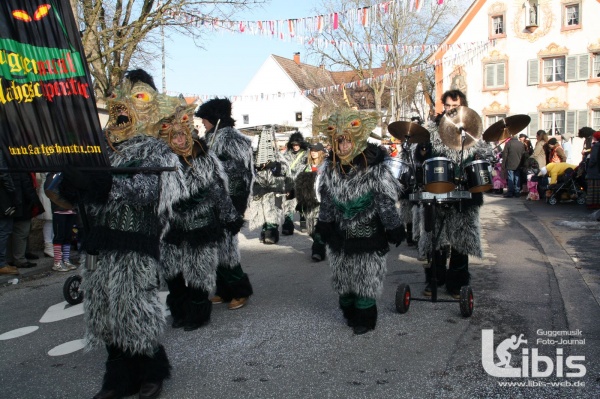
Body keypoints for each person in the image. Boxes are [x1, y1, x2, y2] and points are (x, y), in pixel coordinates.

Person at [61, 69, 185, 399]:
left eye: (136, 97)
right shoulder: (98, 148)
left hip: (136, 240)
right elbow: (75, 196)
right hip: (101, 241)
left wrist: (100, 182)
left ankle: (150, 370)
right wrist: (74, 184)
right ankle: (117, 375)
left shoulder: (156, 150)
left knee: (133, 307)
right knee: (104, 310)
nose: (122, 106)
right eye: (120, 96)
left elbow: (145, 191)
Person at [315, 108, 405, 335]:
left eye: (347, 142)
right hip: (340, 236)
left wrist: (393, 226)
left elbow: (385, 201)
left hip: (368, 236)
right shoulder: (331, 169)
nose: (343, 147)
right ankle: (348, 310)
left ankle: (365, 318)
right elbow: (326, 201)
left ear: (357, 140)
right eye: (339, 142)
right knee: (343, 279)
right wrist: (323, 225)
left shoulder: (375, 168)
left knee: (366, 278)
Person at [158, 105, 243, 330]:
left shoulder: (205, 158)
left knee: (198, 271)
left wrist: (230, 217)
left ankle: (198, 313)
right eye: (173, 136)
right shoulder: (162, 163)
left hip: (201, 224)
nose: (179, 141)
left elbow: (219, 190)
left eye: (182, 135)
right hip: (173, 226)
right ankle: (180, 309)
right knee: (171, 271)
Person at [417, 89, 492, 298]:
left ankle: (457, 283)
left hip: (465, 189)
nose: (450, 109)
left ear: (463, 105)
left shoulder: (472, 125)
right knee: (436, 238)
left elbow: (485, 153)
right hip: (437, 187)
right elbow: (420, 155)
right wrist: (421, 151)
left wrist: (483, 153)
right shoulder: (432, 127)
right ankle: (434, 280)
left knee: (460, 240)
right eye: (447, 105)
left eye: (454, 105)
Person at [195, 98, 255, 310]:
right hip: (212, 200)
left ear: (215, 118)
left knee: (227, 247)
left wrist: (212, 168)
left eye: (205, 118)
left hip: (230, 200)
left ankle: (240, 290)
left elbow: (239, 171)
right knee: (215, 245)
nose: (202, 121)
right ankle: (224, 289)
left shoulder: (232, 138)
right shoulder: (209, 137)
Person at [247, 127, 290, 245]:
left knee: (273, 211)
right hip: (260, 189)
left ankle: (272, 232)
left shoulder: (278, 157)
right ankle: (265, 230)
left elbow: (286, 168)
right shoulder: (256, 159)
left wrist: (276, 167)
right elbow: (251, 172)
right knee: (262, 212)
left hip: (274, 189)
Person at [294, 142, 327, 261]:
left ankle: (318, 250)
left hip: (322, 202)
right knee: (311, 229)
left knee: (319, 227)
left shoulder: (326, 166)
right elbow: (297, 182)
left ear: (321, 152)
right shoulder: (305, 166)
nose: (313, 152)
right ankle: (321, 244)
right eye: (311, 150)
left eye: (316, 150)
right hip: (308, 202)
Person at [44, 173, 78, 272]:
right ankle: (57, 261)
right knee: (59, 236)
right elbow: (50, 191)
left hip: (71, 209)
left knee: (68, 237)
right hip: (59, 210)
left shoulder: (70, 173)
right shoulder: (53, 175)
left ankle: (66, 259)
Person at [281, 131, 308, 235]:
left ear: (301, 143)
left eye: (297, 144)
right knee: (288, 203)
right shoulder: (287, 154)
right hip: (289, 182)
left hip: (302, 182)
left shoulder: (306, 154)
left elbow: (308, 166)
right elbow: (284, 166)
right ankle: (288, 224)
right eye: (293, 144)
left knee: (302, 202)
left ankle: (303, 220)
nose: (295, 146)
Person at [0, 152, 18, 276]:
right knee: (4, 230)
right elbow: (4, 173)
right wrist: (13, 193)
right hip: (2, 197)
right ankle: (1, 264)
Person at [501, 134, 525, 198]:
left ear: (511, 137)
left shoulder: (508, 143)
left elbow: (505, 155)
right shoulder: (521, 144)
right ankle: (517, 192)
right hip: (518, 163)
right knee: (517, 177)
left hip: (510, 163)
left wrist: (503, 164)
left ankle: (510, 192)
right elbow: (523, 155)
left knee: (510, 178)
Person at [584, 131, 600, 209]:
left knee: (593, 188)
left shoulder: (596, 146)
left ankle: (592, 204)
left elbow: (593, 159)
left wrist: (589, 165)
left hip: (594, 170)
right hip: (598, 171)